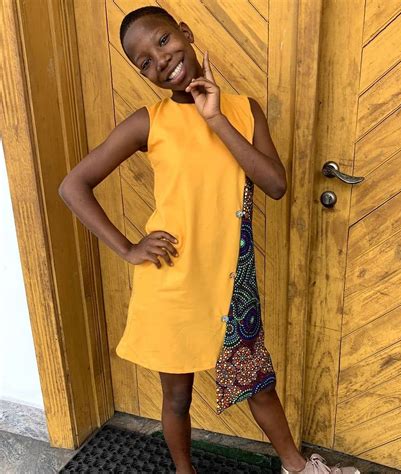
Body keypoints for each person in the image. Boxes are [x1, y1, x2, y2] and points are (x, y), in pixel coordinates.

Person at [59, 5, 359, 474]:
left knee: (258, 383)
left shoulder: (244, 110)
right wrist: (129, 248)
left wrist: (216, 118)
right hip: (173, 283)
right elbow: (72, 186)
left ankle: (298, 468)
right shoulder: (148, 122)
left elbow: (275, 185)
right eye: (144, 61)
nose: (160, 60)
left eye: (163, 41)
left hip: (231, 280)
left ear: (185, 32)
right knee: (177, 397)